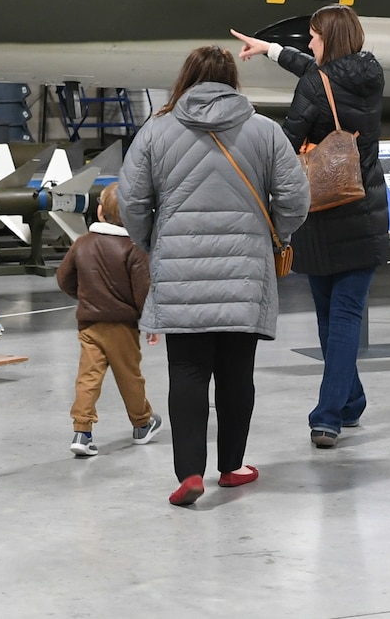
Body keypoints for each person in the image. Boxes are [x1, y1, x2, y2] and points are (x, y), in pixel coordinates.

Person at [120, 45, 308, 507]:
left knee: (186, 371)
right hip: (245, 269)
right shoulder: (265, 131)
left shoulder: (155, 131)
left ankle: (189, 474)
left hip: (180, 270)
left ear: (187, 78)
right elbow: (295, 198)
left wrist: (152, 241)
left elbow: (130, 201)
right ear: (232, 82)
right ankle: (232, 466)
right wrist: (274, 235)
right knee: (236, 373)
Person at [232, 5, 388, 450]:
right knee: (341, 318)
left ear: (329, 41)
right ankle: (350, 401)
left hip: (320, 215)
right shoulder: (371, 75)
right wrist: (271, 50)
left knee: (332, 320)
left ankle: (327, 418)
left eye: (314, 37)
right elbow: (319, 74)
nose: (310, 44)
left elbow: (286, 138)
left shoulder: (314, 86)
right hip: (366, 214)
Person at [54, 182, 163, 458]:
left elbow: (64, 279)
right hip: (122, 327)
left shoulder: (82, 244)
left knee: (88, 377)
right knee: (129, 376)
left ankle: (82, 430)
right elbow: (143, 292)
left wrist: (84, 297)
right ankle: (142, 423)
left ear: (99, 212)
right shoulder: (134, 250)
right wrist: (149, 322)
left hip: (89, 324)